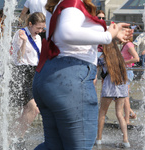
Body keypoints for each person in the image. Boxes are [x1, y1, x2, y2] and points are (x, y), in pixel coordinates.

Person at [32, 0, 133, 149]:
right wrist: (107, 36)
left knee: (53, 147)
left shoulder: (57, 4)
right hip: (71, 77)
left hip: (49, 75)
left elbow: (63, 35)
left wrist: (111, 34)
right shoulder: (73, 2)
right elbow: (68, 33)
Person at [10, 12, 45, 149]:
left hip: (34, 73)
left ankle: (15, 137)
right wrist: (24, 41)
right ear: (30, 24)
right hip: (22, 73)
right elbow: (18, 58)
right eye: (38, 28)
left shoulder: (38, 37)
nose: (40, 31)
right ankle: (17, 137)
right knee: (33, 108)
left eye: (42, 29)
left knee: (28, 110)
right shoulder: (20, 34)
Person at [96, 40, 131, 148]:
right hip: (121, 86)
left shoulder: (102, 58)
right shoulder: (120, 57)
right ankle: (126, 140)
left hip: (109, 87)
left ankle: (99, 139)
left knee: (102, 113)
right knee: (120, 114)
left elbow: (96, 71)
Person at [121, 37, 139, 125]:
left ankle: (127, 119)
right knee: (122, 96)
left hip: (126, 72)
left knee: (125, 97)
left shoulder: (128, 44)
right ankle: (131, 114)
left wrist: (123, 63)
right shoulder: (124, 45)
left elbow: (136, 58)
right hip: (124, 72)